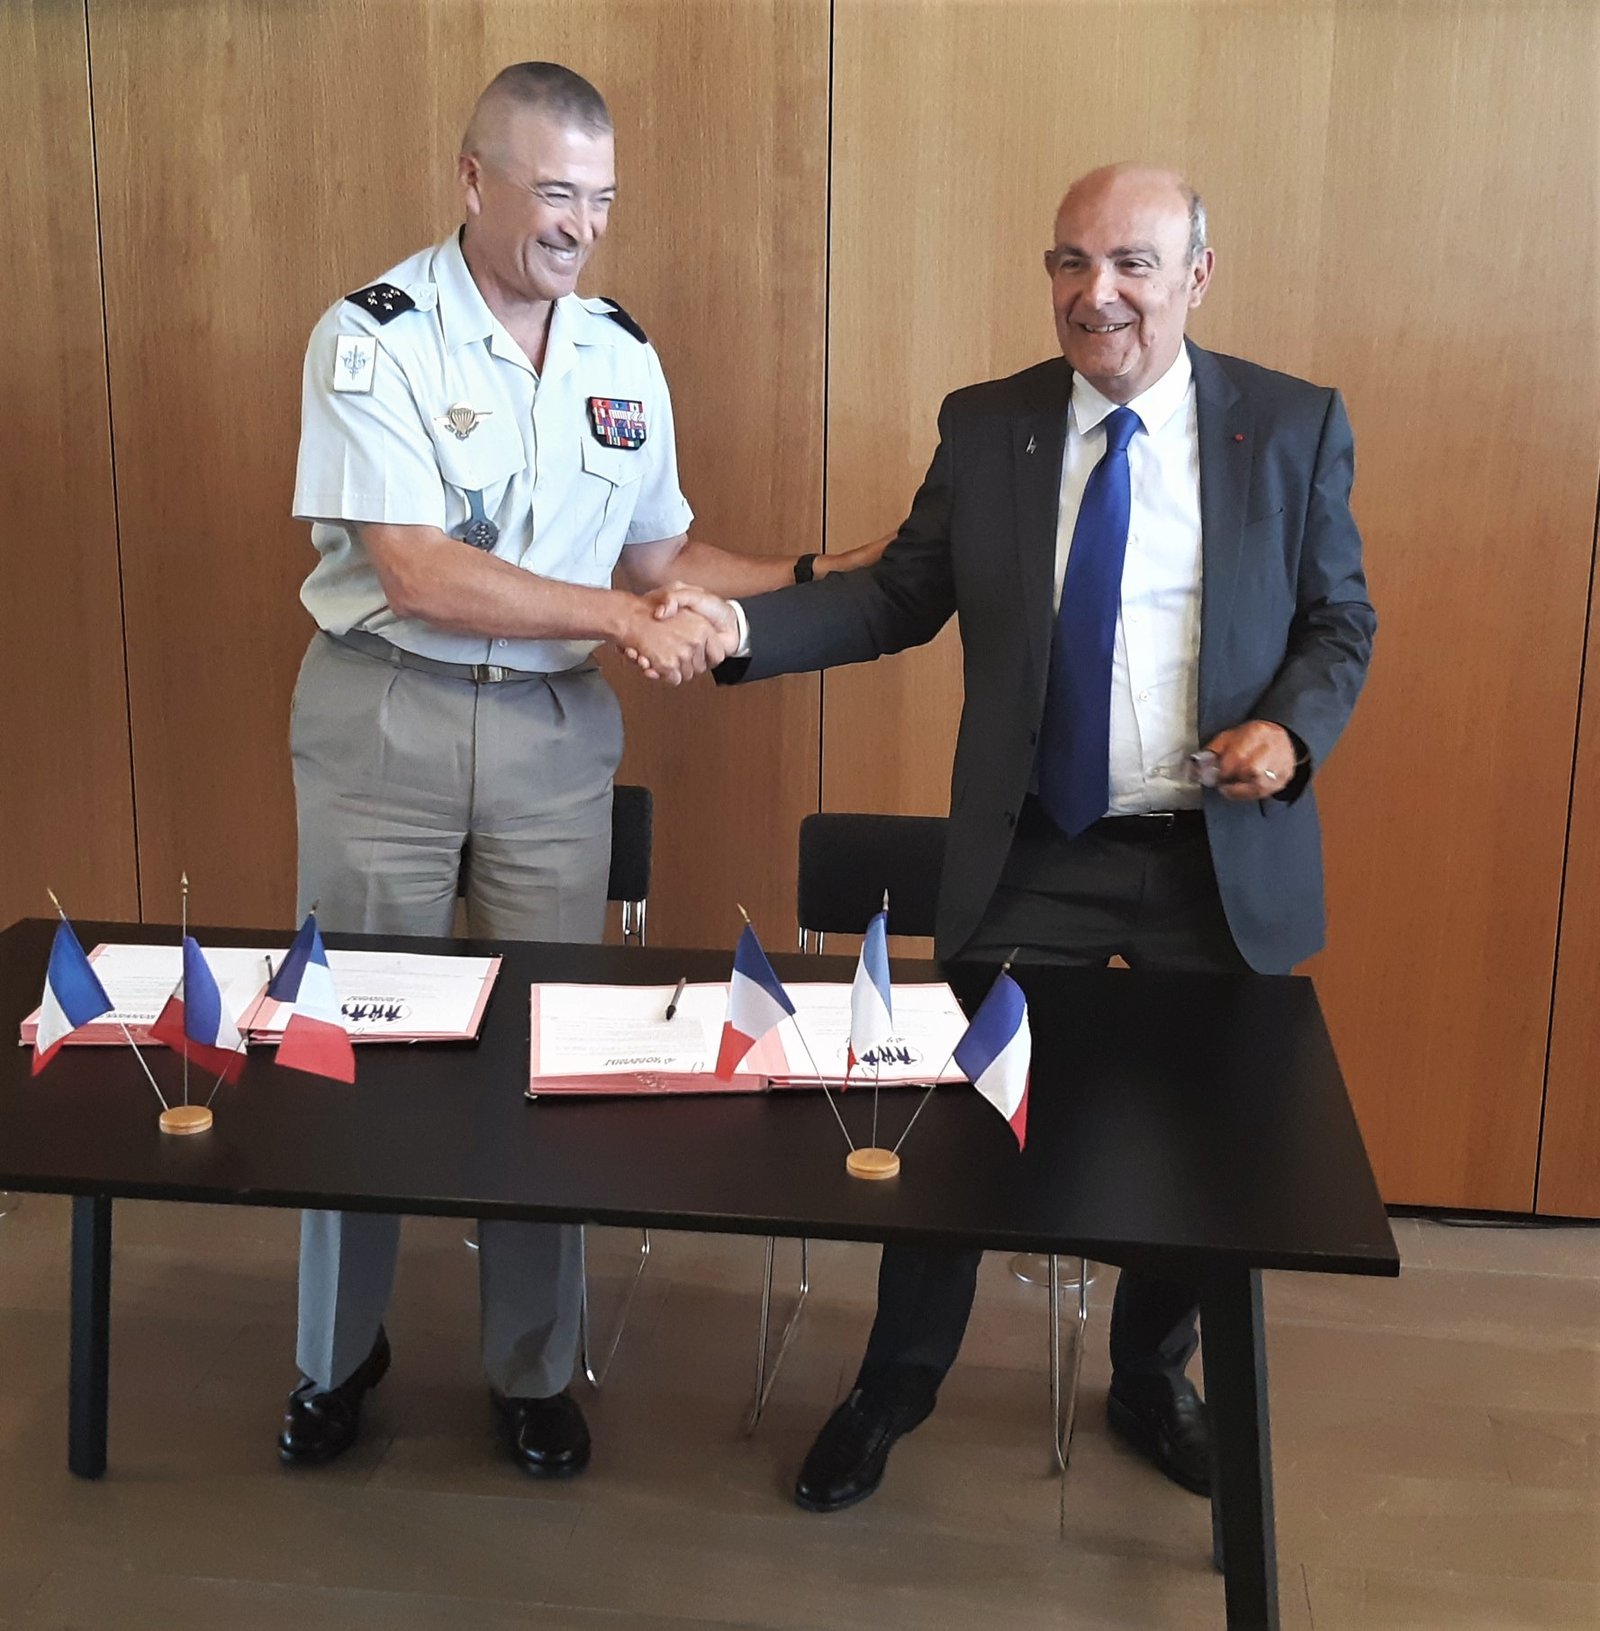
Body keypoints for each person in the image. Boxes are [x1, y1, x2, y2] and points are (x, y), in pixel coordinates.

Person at [677, 162, 1375, 1512]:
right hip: (1038, 851)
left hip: (1213, 863)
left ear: (1197, 277)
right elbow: (898, 596)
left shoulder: (1290, 425)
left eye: (1131, 264)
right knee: (953, 1132)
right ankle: (894, 1385)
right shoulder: (991, 424)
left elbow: (1339, 620)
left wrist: (1290, 735)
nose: (1095, 293)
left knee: (1197, 1150)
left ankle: (1151, 1377)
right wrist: (741, 628)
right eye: (1069, 262)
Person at [282, 61, 871, 1477]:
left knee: (549, 1057)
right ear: (473, 179)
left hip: (552, 739)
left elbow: (662, 557)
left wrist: (816, 577)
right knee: (354, 1045)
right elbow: (416, 571)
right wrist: (622, 617)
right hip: (388, 721)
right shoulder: (375, 335)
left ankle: (533, 1367)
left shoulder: (617, 352)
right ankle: (334, 1356)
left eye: (601, 198)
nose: (581, 226)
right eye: (555, 192)